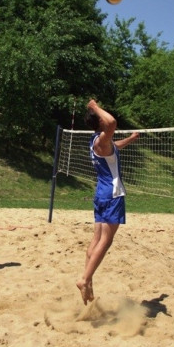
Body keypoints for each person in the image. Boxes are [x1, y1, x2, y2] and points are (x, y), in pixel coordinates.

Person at [76, 99, 139, 305]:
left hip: (101, 194)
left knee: (96, 239)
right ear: (100, 122)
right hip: (113, 194)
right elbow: (112, 123)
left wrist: (130, 139)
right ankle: (85, 279)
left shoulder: (97, 141)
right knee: (106, 240)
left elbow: (114, 146)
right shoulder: (102, 138)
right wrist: (94, 107)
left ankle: (87, 279)